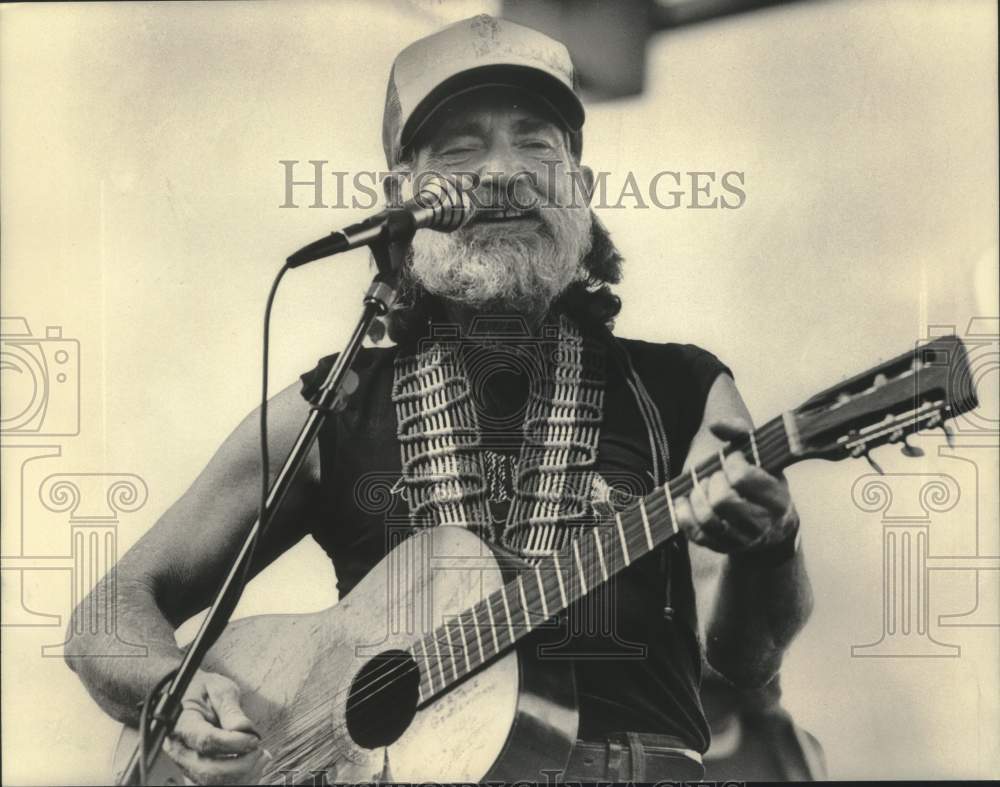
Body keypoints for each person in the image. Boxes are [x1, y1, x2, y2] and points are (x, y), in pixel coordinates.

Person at [66, 15, 813, 784]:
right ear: (402, 195)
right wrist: (172, 694)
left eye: (536, 143)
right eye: (459, 148)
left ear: (580, 191)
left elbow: (747, 657)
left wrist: (772, 541)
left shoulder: (683, 388)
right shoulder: (335, 403)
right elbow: (107, 613)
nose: (501, 172)